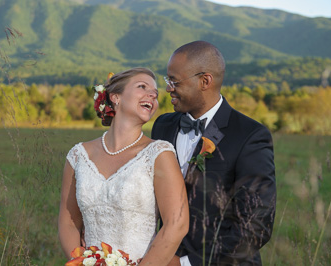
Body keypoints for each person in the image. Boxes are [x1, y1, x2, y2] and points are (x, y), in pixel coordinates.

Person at [152, 41, 276, 265]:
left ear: (205, 81)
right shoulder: (162, 126)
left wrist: (186, 263)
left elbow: (256, 225)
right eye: (167, 79)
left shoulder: (250, 136)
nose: (168, 87)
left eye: (174, 80)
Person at [58, 67, 189, 265]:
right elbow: (68, 221)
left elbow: (176, 224)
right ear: (115, 97)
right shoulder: (78, 155)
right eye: (142, 86)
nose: (152, 95)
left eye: (155, 93)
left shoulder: (159, 153)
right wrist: (82, 262)